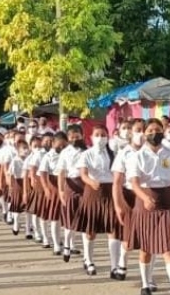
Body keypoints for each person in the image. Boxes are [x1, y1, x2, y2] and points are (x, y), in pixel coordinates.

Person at [128, 119, 170, 295]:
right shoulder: (137, 156)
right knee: (146, 248)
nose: (155, 133)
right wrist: (145, 198)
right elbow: (134, 183)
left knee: (168, 247)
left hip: (166, 201)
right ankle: (145, 285)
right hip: (145, 201)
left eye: (158, 130)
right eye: (151, 130)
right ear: (145, 133)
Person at [75, 126, 121, 277]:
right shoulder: (86, 154)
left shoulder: (113, 154)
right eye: (97, 135)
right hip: (93, 191)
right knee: (91, 230)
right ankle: (88, 260)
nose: (100, 138)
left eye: (103, 135)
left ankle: (114, 266)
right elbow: (83, 174)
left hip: (110, 191)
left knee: (113, 228)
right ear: (91, 137)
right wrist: (91, 181)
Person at [111, 119, 147, 282]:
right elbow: (117, 181)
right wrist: (118, 204)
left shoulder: (151, 151)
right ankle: (122, 264)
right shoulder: (124, 152)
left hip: (147, 195)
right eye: (138, 130)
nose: (142, 133)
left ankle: (147, 277)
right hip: (129, 195)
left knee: (148, 238)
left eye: (144, 130)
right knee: (128, 234)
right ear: (131, 133)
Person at [56, 126, 87, 262]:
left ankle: (87, 256)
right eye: (72, 137)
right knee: (70, 218)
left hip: (86, 186)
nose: (75, 140)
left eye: (77, 137)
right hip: (70, 184)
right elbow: (61, 173)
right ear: (68, 139)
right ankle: (67, 245)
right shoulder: (64, 153)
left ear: (82, 136)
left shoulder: (88, 151)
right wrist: (61, 190)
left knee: (86, 221)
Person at [38, 132, 66, 255]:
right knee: (55, 217)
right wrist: (46, 188)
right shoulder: (48, 156)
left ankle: (70, 244)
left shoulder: (69, 154)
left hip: (68, 185)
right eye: (59, 145)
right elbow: (43, 173)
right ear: (53, 144)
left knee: (68, 217)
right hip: (53, 186)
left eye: (64, 145)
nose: (61, 148)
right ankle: (56, 245)